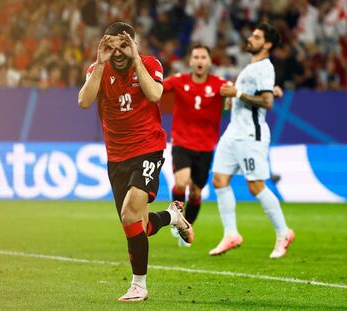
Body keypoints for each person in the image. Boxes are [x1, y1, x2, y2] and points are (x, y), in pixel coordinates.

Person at [77, 22, 194, 302]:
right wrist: (100, 62)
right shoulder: (98, 70)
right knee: (137, 225)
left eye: (124, 45)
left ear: (133, 44)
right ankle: (172, 216)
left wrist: (137, 57)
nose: (118, 52)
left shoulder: (149, 63)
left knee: (130, 213)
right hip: (116, 157)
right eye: (113, 46)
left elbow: (155, 94)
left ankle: (139, 285)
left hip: (147, 148)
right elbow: (84, 101)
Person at [210, 23, 295, 259]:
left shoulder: (264, 68)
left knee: (255, 185)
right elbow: (260, 93)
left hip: (250, 134)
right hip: (233, 132)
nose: (250, 38)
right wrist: (233, 99)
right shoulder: (252, 67)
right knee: (219, 180)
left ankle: (283, 232)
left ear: (267, 44)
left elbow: (266, 102)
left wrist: (236, 94)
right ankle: (231, 234)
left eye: (256, 37)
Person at [163, 44, 228, 247]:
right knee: (181, 182)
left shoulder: (220, 84)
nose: (200, 61)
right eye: (196, 57)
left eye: (203, 57)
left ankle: (186, 227)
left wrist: (231, 100)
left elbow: (235, 94)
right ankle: (177, 221)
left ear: (209, 62)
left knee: (197, 192)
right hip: (182, 142)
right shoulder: (178, 80)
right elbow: (157, 88)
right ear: (190, 61)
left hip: (206, 147)